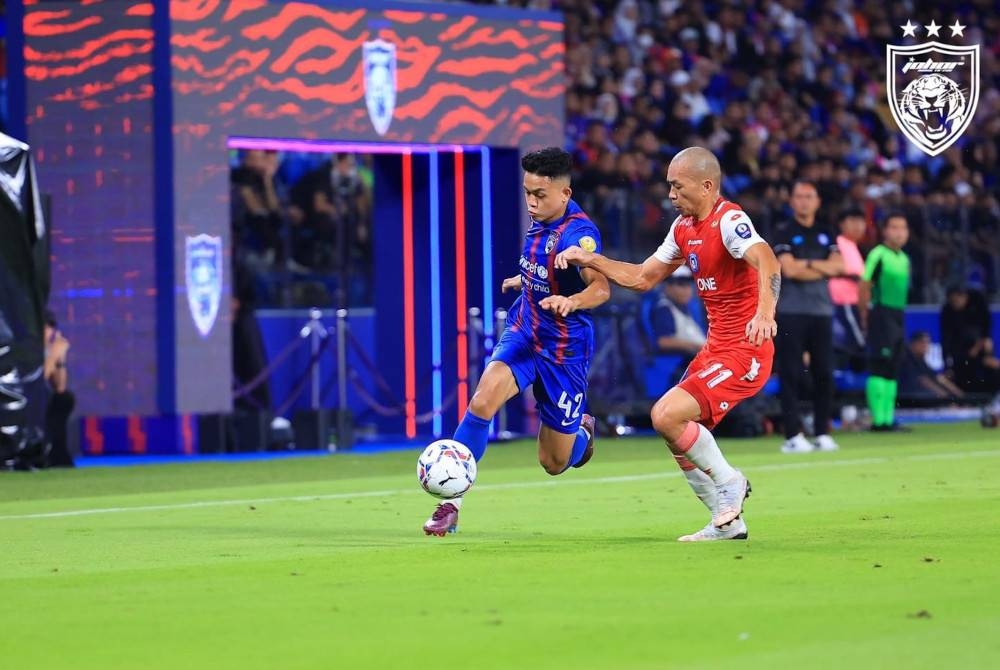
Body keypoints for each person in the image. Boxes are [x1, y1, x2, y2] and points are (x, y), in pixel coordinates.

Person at [556, 146, 781, 542]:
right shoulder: (683, 228)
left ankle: (730, 482)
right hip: (715, 350)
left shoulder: (729, 220)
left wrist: (765, 313)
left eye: (678, 186)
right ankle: (725, 522)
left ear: (706, 185)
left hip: (746, 349)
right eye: (669, 187)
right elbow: (643, 277)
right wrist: (590, 260)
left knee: (665, 414)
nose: (671, 195)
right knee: (674, 429)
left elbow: (768, 261)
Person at [422, 147, 611, 536]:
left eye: (540, 195)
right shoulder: (538, 220)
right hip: (525, 332)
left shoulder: (580, 236)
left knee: (554, 462)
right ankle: (450, 505)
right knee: (481, 400)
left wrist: (571, 300)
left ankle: (582, 434)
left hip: (564, 351)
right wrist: (523, 282)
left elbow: (602, 289)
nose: (531, 201)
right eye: (527, 192)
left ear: (565, 194)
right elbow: (540, 269)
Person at [771, 180, 844, 453]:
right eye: (799, 196)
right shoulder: (783, 231)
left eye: (809, 196)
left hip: (821, 311)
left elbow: (841, 266)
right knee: (790, 373)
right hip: (790, 311)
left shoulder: (827, 231)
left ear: (817, 201)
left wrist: (808, 265)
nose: (804, 201)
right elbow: (788, 270)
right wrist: (822, 267)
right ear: (792, 201)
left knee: (824, 371)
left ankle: (822, 432)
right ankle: (792, 435)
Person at [859, 213, 911, 432]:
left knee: (892, 367)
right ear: (885, 231)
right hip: (881, 314)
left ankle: (888, 418)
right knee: (879, 365)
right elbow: (864, 285)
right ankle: (878, 421)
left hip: (898, 315)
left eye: (903, 228)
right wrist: (864, 315)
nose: (899, 232)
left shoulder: (904, 258)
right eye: (894, 227)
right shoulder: (878, 254)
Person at [940, 285, 1000, 396]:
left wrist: (985, 340)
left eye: (956, 301)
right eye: (952, 301)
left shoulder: (977, 300)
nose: (955, 304)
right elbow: (946, 338)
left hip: (980, 349)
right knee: (962, 373)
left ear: (964, 296)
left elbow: (986, 320)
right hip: (961, 352)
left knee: (990, 369)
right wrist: (946, 365)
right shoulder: (948, 311)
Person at [829, 209, 867, 371]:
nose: (858, 226)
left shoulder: (854, 246)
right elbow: (836, 268)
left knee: (850, 345)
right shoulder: (837, 243)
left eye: (860, 222)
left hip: (854, 303)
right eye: (852, 221)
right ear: (842, 224)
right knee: (857, 344)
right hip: (842, 302)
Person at [649, 265, 706, 376]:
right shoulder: (663, 308)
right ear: (667, 286)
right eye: (681, 285)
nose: (687, 290)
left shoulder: (687, 308)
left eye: (689, 285)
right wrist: (695, 347)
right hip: (682, 366)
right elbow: (663, 341)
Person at [42, 310, 75, 467]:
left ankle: (58, 457)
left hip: (40, 403)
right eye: (44, 327)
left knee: (64, 398)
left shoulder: (46, 352)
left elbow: (60, 388)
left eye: (50, 328)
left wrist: (60, 360)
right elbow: (34, 383)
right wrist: (53, 356)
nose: (48, 332)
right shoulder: (23, 350)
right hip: (22, 406)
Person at [898, 331, 964, 402]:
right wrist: (948, 400)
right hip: (908, 399)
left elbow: (938, 378)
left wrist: (962, 396)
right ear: (915, 344)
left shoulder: (920, 360)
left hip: (920, 397)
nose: (927, 346)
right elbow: (924, 381)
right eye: (924, 343)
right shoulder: (905, 359)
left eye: (928, 343)